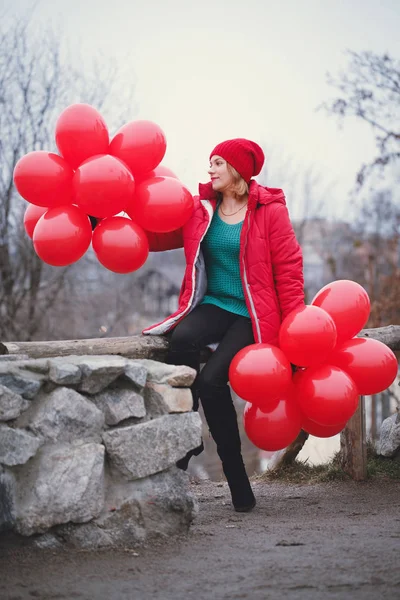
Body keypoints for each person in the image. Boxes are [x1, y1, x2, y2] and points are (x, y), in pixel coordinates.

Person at [143, 138, 304, 512]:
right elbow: (161, 233)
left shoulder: (269, 211)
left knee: (214, 380)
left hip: (252, 313)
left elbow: (289, 269)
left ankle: (236, 477)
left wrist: (295, 331)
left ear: (237, 171)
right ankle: (186, 437)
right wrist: (104, 219)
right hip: (214, 304)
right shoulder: (202, 208)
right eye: (209, 163)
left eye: (217, 163)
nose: (210, 170)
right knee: (180, 339)